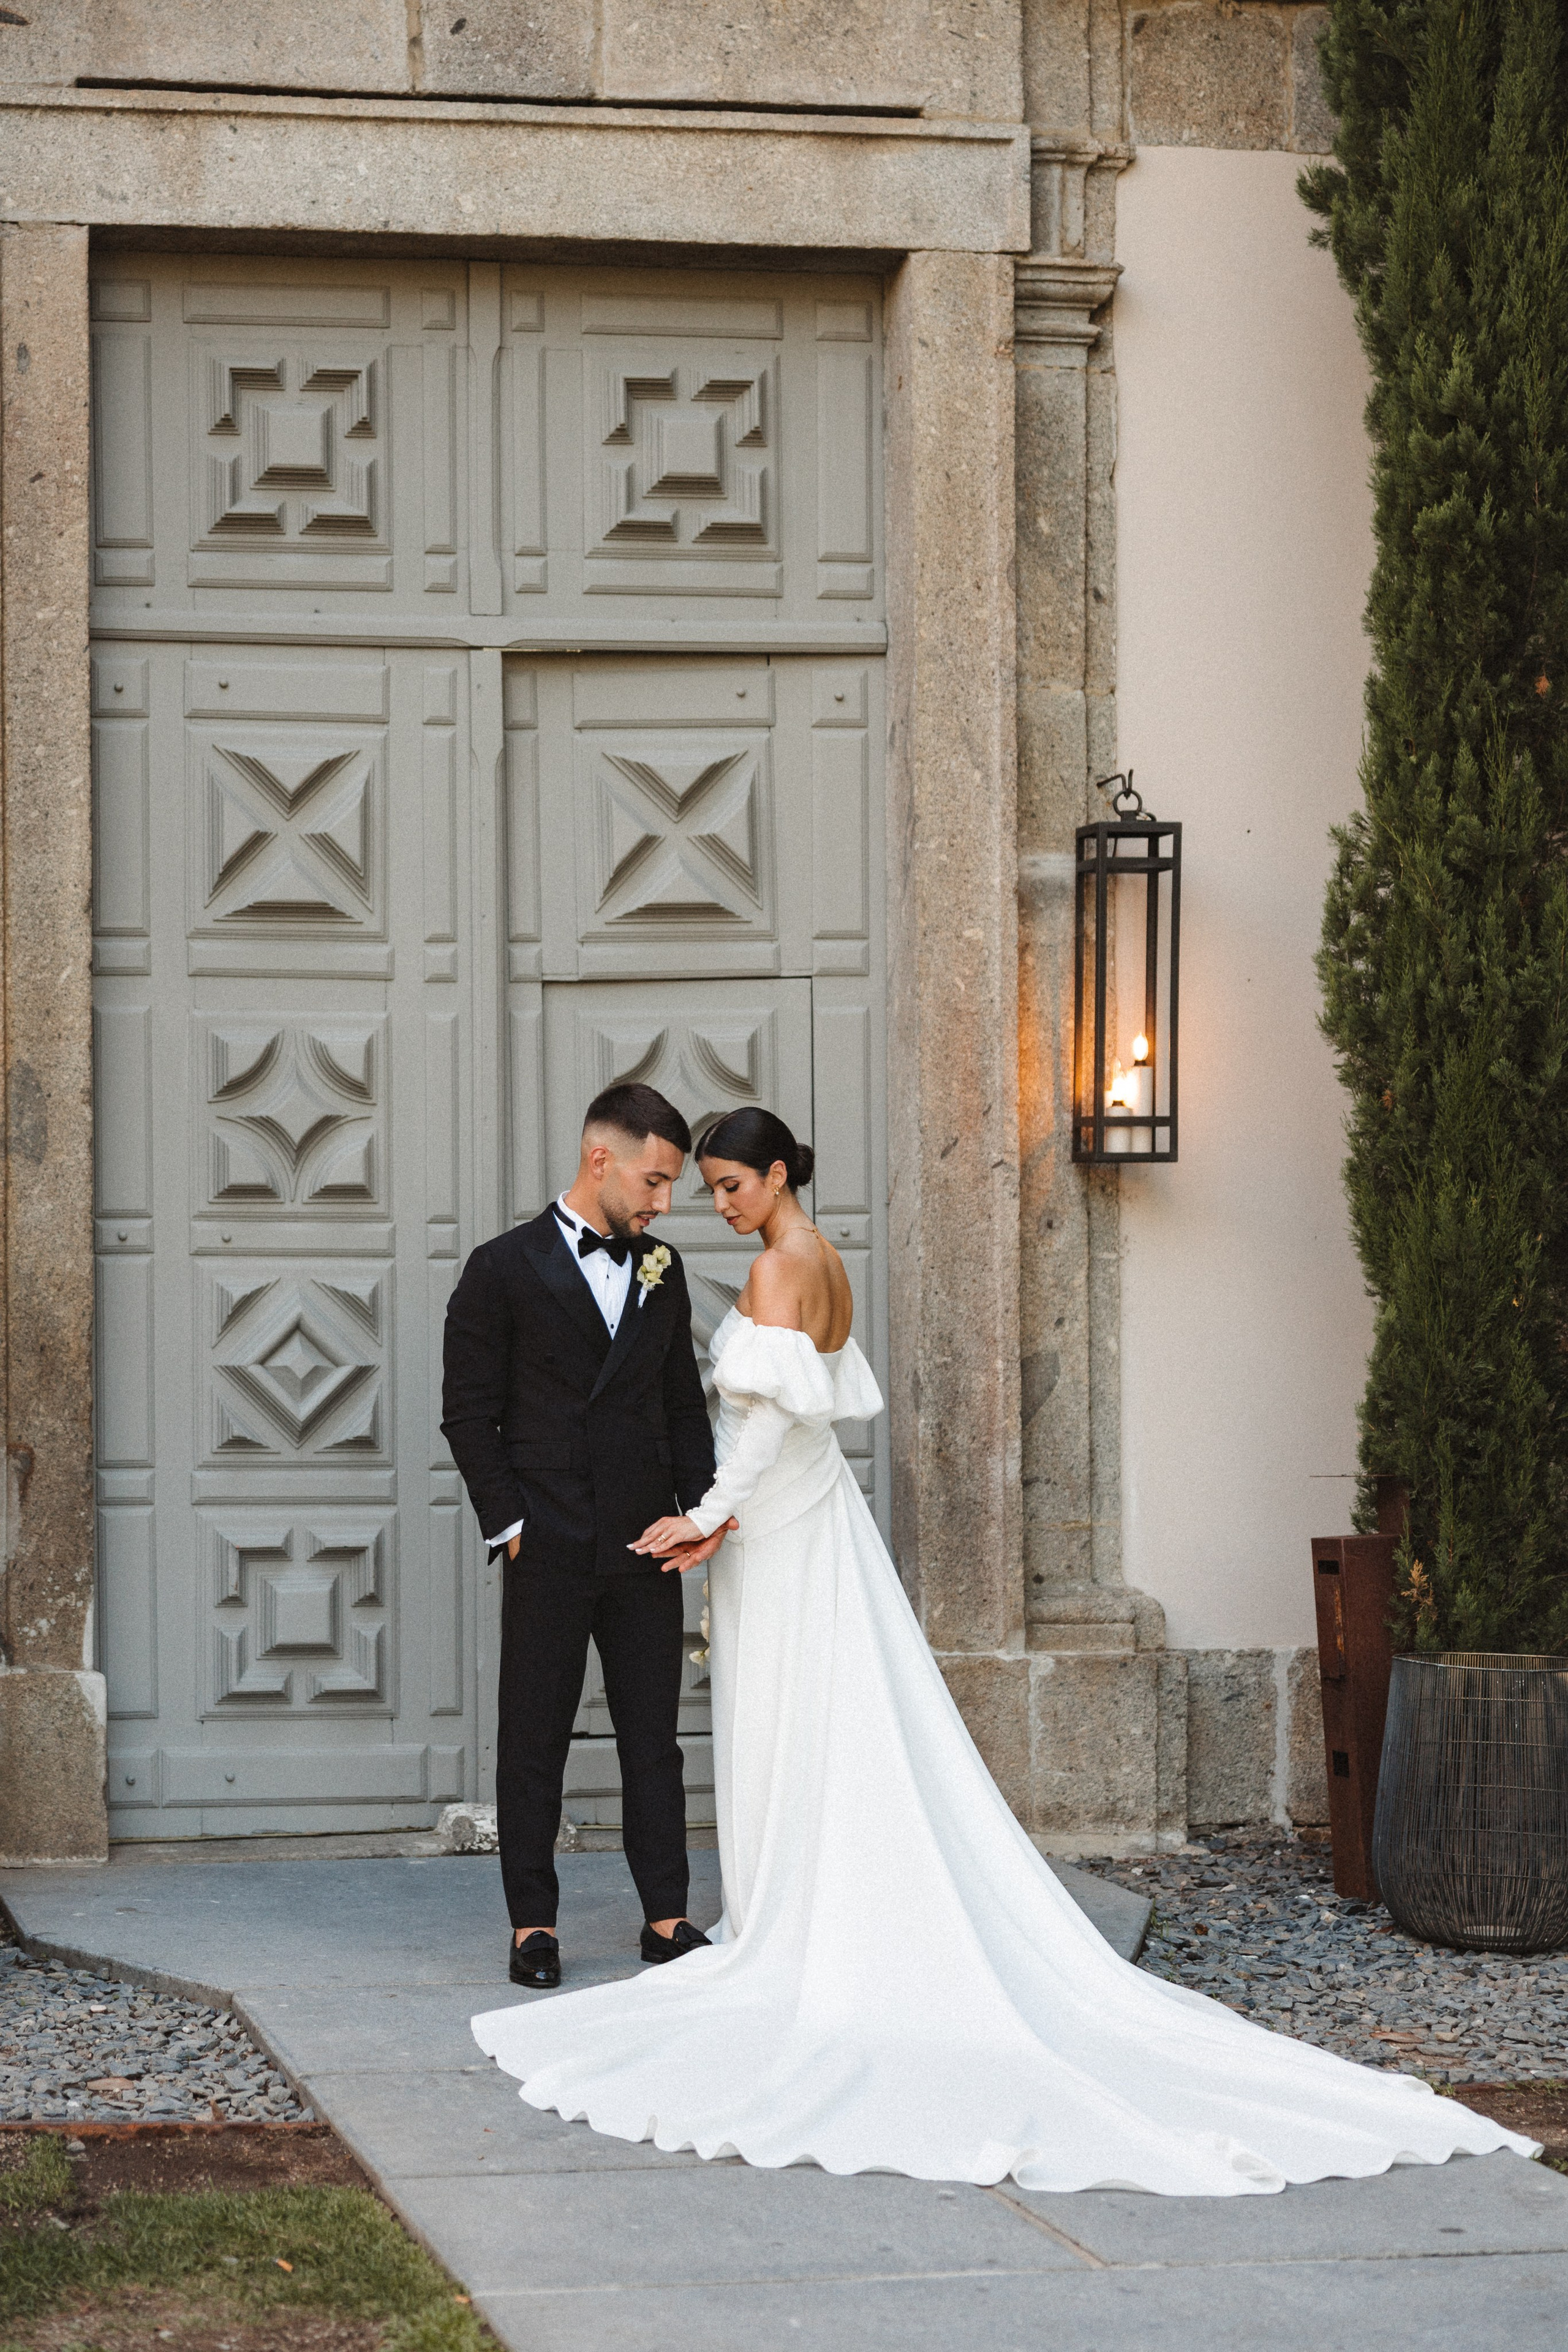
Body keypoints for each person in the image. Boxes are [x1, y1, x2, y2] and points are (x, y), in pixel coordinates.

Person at [471, 1107, 1536, 2195]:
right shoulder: (807, 1261)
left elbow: (772, 1424)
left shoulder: (771, 1274)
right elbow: (546, 1408)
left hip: (765, 1523)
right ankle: (668, 1913)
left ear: (777, 1175)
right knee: (795, 1716)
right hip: (737, 1523)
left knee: (778, 1720)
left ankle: (783, 1924)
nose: (708, 1206)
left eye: (726, 1186)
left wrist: (707, 1514)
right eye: (693, 1189)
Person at [441, 1082, 733, 1991]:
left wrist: (705, 1512)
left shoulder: (665, 1268)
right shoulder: (501, 1268)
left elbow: (683, 1406)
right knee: (536, 1736)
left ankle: (667, 1917)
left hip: (649, 1541)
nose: (664, 1202)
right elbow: (467, 1415)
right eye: (654, 1179)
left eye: (673, 1185)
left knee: (655, 1736)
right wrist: (514, 1526)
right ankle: (534, 1926)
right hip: (552, 1542)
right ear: (600, 1158)